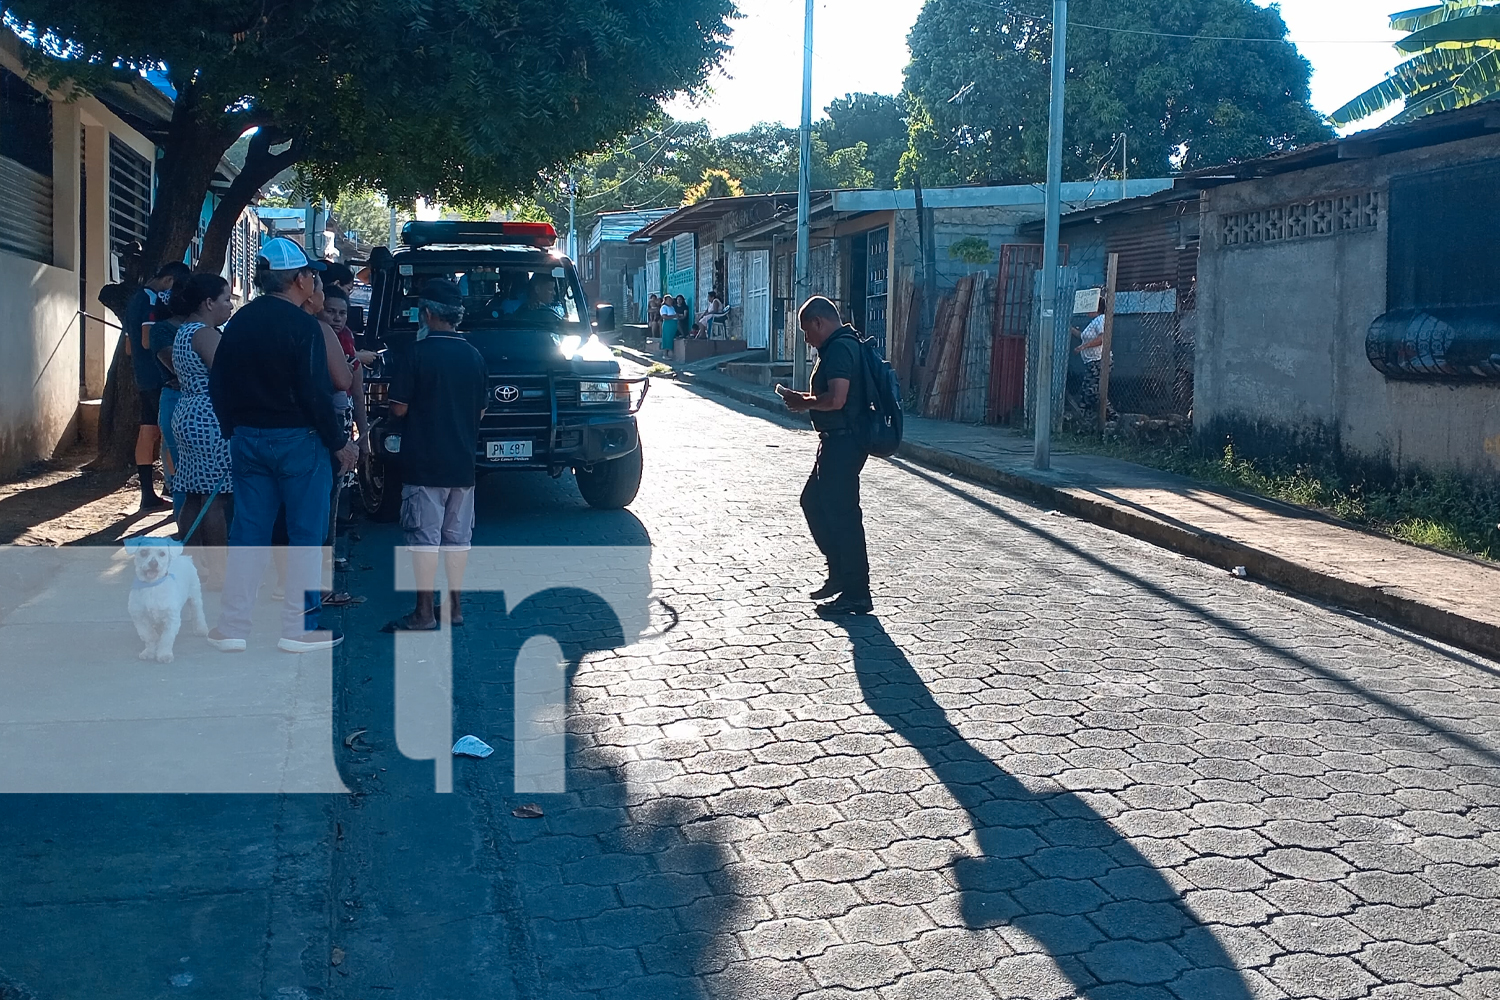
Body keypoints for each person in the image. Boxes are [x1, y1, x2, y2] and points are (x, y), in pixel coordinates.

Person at [206, 237, 357, 654]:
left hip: (248, 438)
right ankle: (300, 628)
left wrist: (232, 428)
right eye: (311, 274)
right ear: (299, 280)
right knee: (305, 535)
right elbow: (314, 393)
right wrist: (340, 442)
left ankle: (233, 626)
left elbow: (219, 383)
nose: (314, 282)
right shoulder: (304, 327)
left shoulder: (239, 322)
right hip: (300, 441)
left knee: (248, 533)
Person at [381, 278, 488, 632]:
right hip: (463, 465)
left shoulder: (417, 354)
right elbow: (482, 410)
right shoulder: (474, 355)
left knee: (424, 541)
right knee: (457, 541)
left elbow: (398, 408)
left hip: (425, 465)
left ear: (427, 314)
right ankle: (454, 608)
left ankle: (424, 614)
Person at [775, 296, 873, 616]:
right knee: (813, 502)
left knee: (844, 516)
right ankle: (839, 574)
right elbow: (827, 397)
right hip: (834, 441)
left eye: (807, 332)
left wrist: (803, 403)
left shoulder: (841, 348)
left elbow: (837, 399)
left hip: (845, 443)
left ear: (819, 322)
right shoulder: (837, 346)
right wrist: (800, 398)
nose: (806, 339)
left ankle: (857, 591)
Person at [168, 274, 236, 587]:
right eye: (225, 299)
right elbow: (228, 374)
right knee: (216, 499)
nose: (230, 306)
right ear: (209, 303)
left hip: (188, 413)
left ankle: (192, 566)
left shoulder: (184, 331)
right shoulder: (205, 334)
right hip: (209, 418)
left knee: (195, 495)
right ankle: (220, 573)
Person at [123, 260, 191, 511]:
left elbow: (130, 348)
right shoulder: (151, 300)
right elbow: (144, 341)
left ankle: (148, 493)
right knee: (168, 435)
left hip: (142, 376)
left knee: (148, 431)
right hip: (159, 378)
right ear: (170, 281)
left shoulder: (134, 300)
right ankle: (173, 486)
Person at [320, 286, 369, 577]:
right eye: (331, 311)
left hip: (342, 425)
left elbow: (357, 393)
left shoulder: (347, 340)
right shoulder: (313, 336)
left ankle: (329, 550)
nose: (337, 319)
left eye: (342, 313)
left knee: (335, 493)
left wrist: (363, 439)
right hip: (319, 429)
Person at [1073, 307, 1110, 416]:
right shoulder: (1094, 321)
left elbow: (1102, 338)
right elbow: (1083, 337)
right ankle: (1085, 417)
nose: (1086, 310)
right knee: (1087, 390)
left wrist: (1083, 347)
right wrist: (1072, 329)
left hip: (1099, 361)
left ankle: (1110, 416)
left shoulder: (1101, 319)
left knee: (1092, 391)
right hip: (1092, 362)